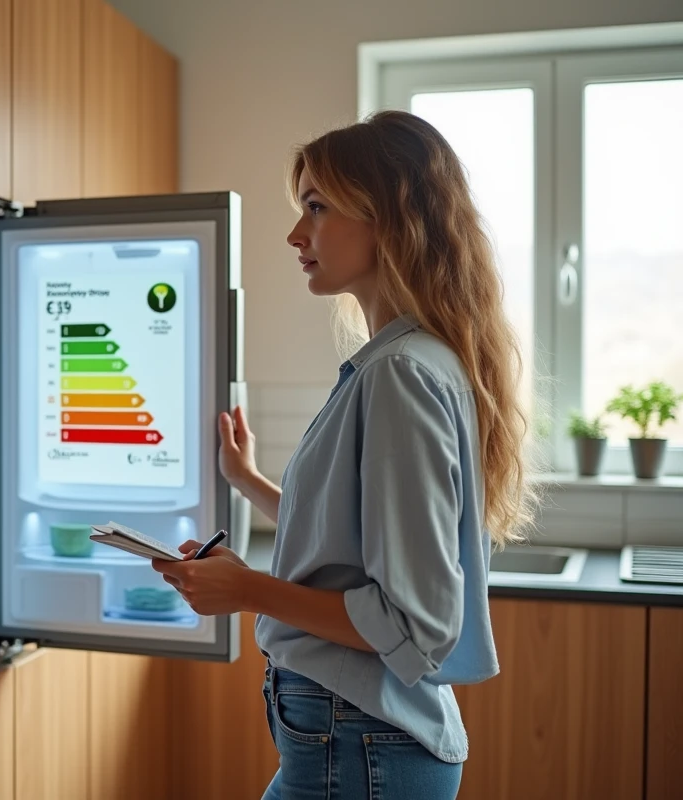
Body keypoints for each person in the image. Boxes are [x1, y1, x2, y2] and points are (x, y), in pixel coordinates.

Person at [152, 109, 538, 799]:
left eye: (318, 207)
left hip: (359, 745)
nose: (296, 233)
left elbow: (410, 625)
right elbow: (353, 536)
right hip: (355, 740)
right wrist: (250, 483)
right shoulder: (411, 361)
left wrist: (244, 589)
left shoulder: (399, 375)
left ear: (391, 218)